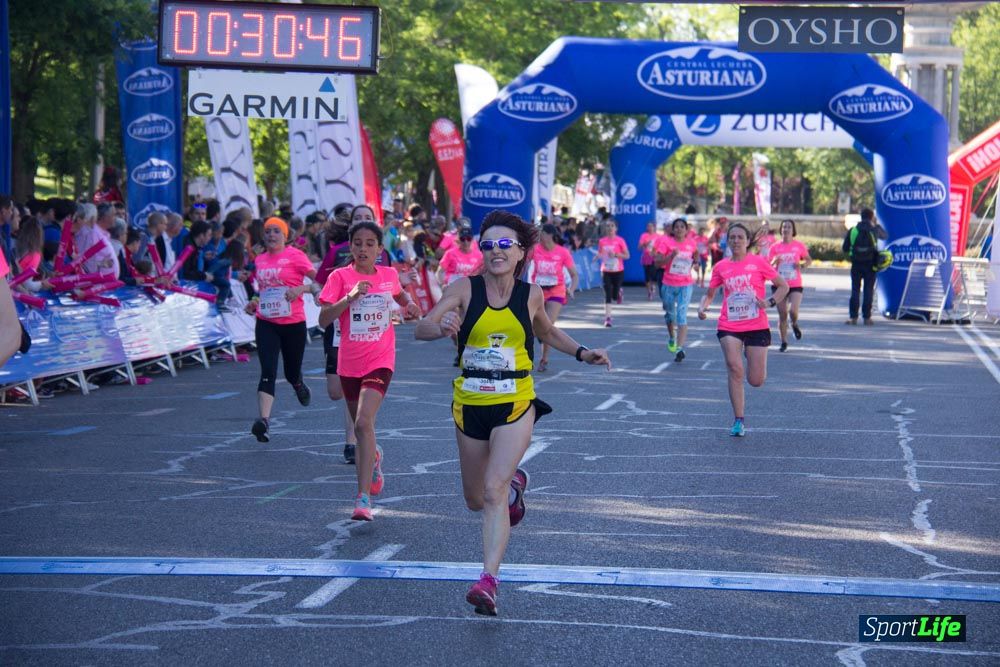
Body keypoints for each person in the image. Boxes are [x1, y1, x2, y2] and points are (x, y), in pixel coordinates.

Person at [415, 210, 610, 616]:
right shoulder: (463, 289)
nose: (496, 251)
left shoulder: (532, 294)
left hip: (516, 400)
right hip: (470, 402)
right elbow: (424, 327)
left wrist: (582, 352)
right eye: (488, 244)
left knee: (492, 491)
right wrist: (443, 325)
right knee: (474, 498)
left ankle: (488, 580)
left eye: (505, 244)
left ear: (522, 251)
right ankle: (516, 488)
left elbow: (546, 331)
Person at [318, 221, 422, 521]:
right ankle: (373, 456)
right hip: (350, 361)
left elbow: (400, 295)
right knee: (362, 428)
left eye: (369, 243)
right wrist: (349, 297)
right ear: (350, 247)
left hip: (381, 358)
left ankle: (362, 499)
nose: (363, 248)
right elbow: (324, 319)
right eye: (358, 243)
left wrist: (410, 304)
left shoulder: (388, 275)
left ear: (379, 249)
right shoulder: (339, 277)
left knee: (363, 423)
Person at [697, 223, 789, 437]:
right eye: (732, 237)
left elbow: (783, 286)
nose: (736, 241)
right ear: (727, 241)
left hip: (756, 324)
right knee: (734, 368)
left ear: (748, 241)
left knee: (756, 380)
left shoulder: (758, 263)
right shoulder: (720, 267)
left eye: (740, 237)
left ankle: (751, 355)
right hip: (729, 324)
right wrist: (703, 308)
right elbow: (710, 294)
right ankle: (738, 420)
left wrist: (769, 302)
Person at [245, 217, 318, 443]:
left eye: (277, 231)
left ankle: (297, 383)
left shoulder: (296, 256)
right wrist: (254, 301)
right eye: (268, 231)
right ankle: (264, 422)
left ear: (286, 236)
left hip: (293, 322)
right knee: (268, 370)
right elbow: (262, 289)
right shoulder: (260, 259)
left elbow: (319, 282)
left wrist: (302, 289)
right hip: (266, 321)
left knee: (291, 371)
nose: (271, 235)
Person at [315, 210, 359, 464]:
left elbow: (392, 287)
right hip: (339, 325)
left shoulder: (380, 252)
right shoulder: (337, 252)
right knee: (335, 391)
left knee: (356, 385)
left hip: (368, 332)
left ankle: (352, 442)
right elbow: (319, 282)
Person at [529, 223, 578, 372]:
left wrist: (571, 289)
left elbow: (574, 275)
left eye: (541, 233)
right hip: (538, 291)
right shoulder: (534, 250)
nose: (539, 236)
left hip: (556, 291)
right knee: (530, 326)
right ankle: (528, 356)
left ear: (549, 235)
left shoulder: (562, 252)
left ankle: (544, 359)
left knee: (547, 325)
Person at [655, 218, 698, 362]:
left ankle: (679, 348)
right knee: (669, 314)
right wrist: (670, 256)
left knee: (681, 315)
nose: (679, 229)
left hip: (685, 284)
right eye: (677, 227)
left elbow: (696, 254)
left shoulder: (691, 243)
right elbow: (657, 263)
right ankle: (672, 337)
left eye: (682, 227)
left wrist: (696, 263)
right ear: (673, 230)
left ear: (687, 230)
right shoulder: (666, 243)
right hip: (668, 283)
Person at [768, 219, 812, 352]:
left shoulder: (799, 246)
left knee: (793, 311)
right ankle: (784, 342)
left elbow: (809, 260)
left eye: (789, 227)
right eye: (784, 227)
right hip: (780, 285)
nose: (786, 229)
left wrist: (802, 265)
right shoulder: (774, 247)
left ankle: (794, 323)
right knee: (782, 314)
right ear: (781, 230)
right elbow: (767, 266)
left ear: (793, 231)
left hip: (795, 284)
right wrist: (774, 262)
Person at [842, 208, 887, 325]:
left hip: (856, 264)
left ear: (861, 217)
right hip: (871, 265)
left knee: (855, 290)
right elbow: (885, 236)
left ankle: (853, 317)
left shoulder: (853, 230)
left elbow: (845, 248)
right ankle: (867, 317)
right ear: (872, 217)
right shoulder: (874, 230)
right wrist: (875, 224)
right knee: (868, 291)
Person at [596, 218, 629, 327]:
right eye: (608, 226)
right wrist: (597, 257)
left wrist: (615, 255)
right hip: (605, 270)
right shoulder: (602, 241)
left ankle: (618, 292)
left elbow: (627, 256)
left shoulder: (620, 240)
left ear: (616, 228)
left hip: (618, 270)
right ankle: (608, 318)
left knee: (614, 295)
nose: (610, 228)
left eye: (612, 226)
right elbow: (600, 253)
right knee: (607, 294)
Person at [638, 221, 658, 300]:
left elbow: (661, 247)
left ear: (654, 227)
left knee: (653, 274)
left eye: (651, 226)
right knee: (647, 275)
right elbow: (639, 247)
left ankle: (653, 286)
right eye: (648, 226)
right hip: (646, 256)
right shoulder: (644, 235)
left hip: (655, 256)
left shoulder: (658, 236)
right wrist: (645, 244)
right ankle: (649, 291)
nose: (649, 228)